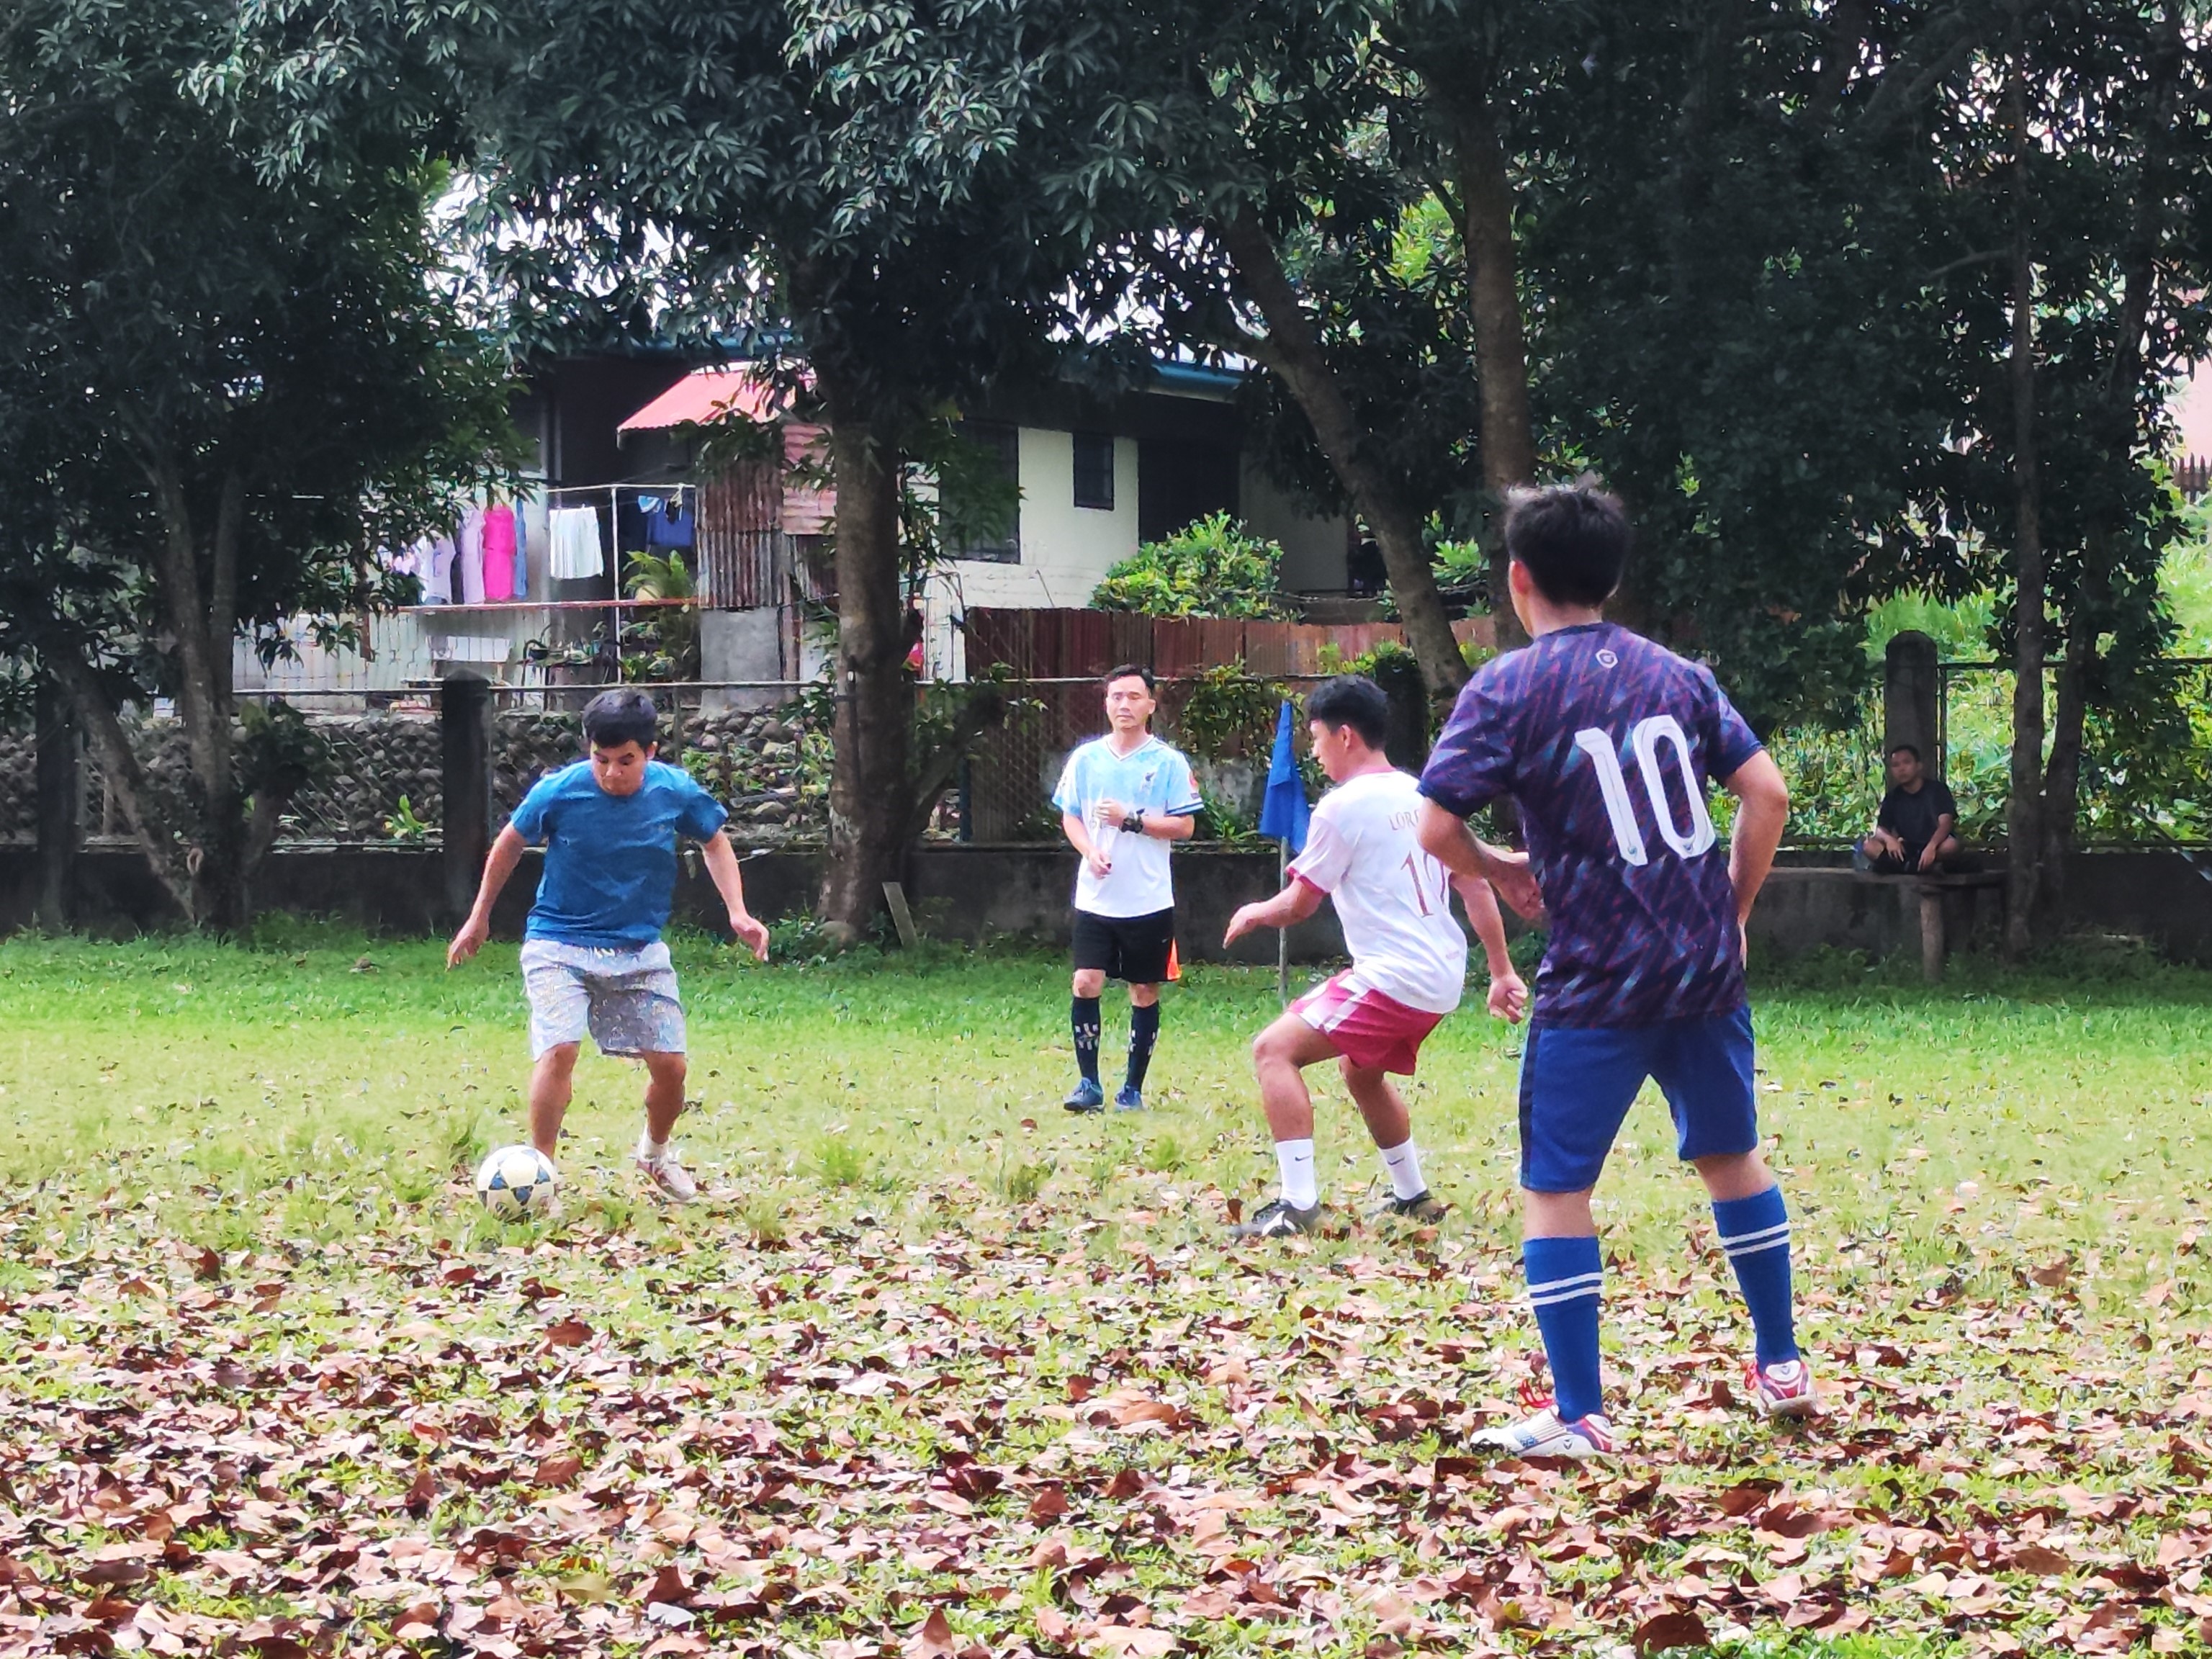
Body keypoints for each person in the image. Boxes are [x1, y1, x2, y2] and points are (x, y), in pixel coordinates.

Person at [1415, 482, 1809, 1459]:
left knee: (1557, 1186)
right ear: (1613, 576)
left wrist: (1498, 868)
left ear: (1519, 579)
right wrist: (1732, 911)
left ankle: (1581, 1412)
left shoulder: (1506, 689)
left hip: (1597, 976)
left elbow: (1433, 826)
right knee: (1731, 1153)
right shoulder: (1679, 674)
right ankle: (1782, 1362)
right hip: (1701, 967)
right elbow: (1766, 794)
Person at [1220, 674, 1528, 1240]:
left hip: (1396, 976)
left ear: (1345, 736)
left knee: (1273, 1050)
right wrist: (1501, 971)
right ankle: (1413, 1196)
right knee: (1361, 1072)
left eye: (1316, 739)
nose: (1315, 753)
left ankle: (1297, 1206)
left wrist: (1256, 911)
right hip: (1442, 974)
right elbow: (1475, 884)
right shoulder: (1424, 796)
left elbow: (1300, 905)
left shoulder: (1341, 808)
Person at [447, 688, 770, 1202]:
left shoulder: (674, 791)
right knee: (560, 1049)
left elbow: (714, 841)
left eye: (626, 761)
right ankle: (542, 1179)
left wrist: (738, 911)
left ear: (651, 752)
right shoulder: (560, 791)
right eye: (601, 759)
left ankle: (655, 1155)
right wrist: (478, 916)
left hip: (638, 951)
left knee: (672, 1068)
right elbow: (509, 842)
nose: (612, 773)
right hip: (558, 943)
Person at [1053, 665, 1202, 1113]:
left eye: (1134, 697)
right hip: (1095, 898)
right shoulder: (1085, 759)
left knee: (1144, 990)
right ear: (1105, 704)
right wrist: (1088, 851)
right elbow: (1071, 815)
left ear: (1151, 705)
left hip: (1148, 899)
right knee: (1086, 982)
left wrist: (1132, 820)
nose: (1124, 705)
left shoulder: (1168, 762)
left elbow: (1185, 826)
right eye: (1116, 697)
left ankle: (1132, 1089)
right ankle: (1089, 1084)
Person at [1856, 744, 1961, 875]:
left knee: (1951, 845)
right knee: (1869, 846)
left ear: (1919, 766)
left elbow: (1945, 824)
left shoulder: (1937, 790)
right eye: (1896, 765)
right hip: (1905, 848)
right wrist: (1889, 839)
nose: (1901, 769)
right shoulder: (1893, 797)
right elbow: (1880, 829)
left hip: (1932, 846)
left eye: (1906, 762)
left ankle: (1908, 867)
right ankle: (1917, 868)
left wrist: (1932, 846)